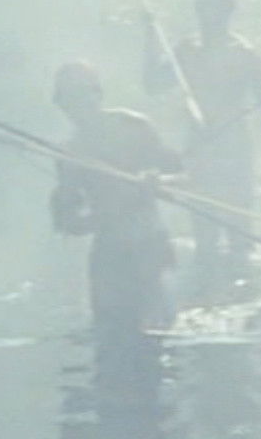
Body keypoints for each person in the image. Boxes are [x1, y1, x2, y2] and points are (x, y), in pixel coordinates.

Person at [143, 0, 261, 294]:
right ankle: (207, 296)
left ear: (228, 11)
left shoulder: (245, 54)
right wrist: (150, 33)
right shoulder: (186, 50)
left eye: (216, 7)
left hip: (235, 151)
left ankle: (244, 295)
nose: (208, 14)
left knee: (239, 236)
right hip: (199, 151)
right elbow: (152, 85)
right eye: (203, 6)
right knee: (204, 236)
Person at [50, 61, 180, 337]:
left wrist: (157, 181)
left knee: (158, 333)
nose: (74, 105)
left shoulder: (135, 126)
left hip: (150, 246)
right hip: (108, 256)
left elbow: (185, 177)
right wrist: (93, 216)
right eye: (65, 98)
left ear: (97, 94)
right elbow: (67, 222)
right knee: (109, 335)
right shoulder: (69, 152)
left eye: (80, 95)